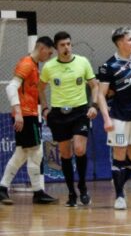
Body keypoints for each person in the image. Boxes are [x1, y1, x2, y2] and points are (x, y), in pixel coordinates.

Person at [38, 31, 98, 207]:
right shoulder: (49, 67)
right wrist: (45, 108)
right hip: (58, 114)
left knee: (79, 149)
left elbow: (94, 86)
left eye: (69, 44)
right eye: (63, 45)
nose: (67, 48)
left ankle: (83, 187)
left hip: (80, 112)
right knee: (65, 153)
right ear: (56, 48)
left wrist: (93, 106)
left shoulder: (83, 62)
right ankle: (71, 192)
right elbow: (40, 88)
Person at [0, 36, 58, 205]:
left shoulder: (34, 64)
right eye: (49, 52)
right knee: (36, 151)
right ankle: (36, 192)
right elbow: (11, 86)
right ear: (41, 49)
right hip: (25, 115)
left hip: (31, 113)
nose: (50, 55)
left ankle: (7, 188)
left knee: (23, 153)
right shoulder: (27, 63)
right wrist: (18, 112)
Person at [97, 27, 131, 210]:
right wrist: (106, 119)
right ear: (120, 43)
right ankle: (119, 196)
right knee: (119, 155)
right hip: (118, 117)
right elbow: (101, 95)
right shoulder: (109, 66)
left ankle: (119, 180)